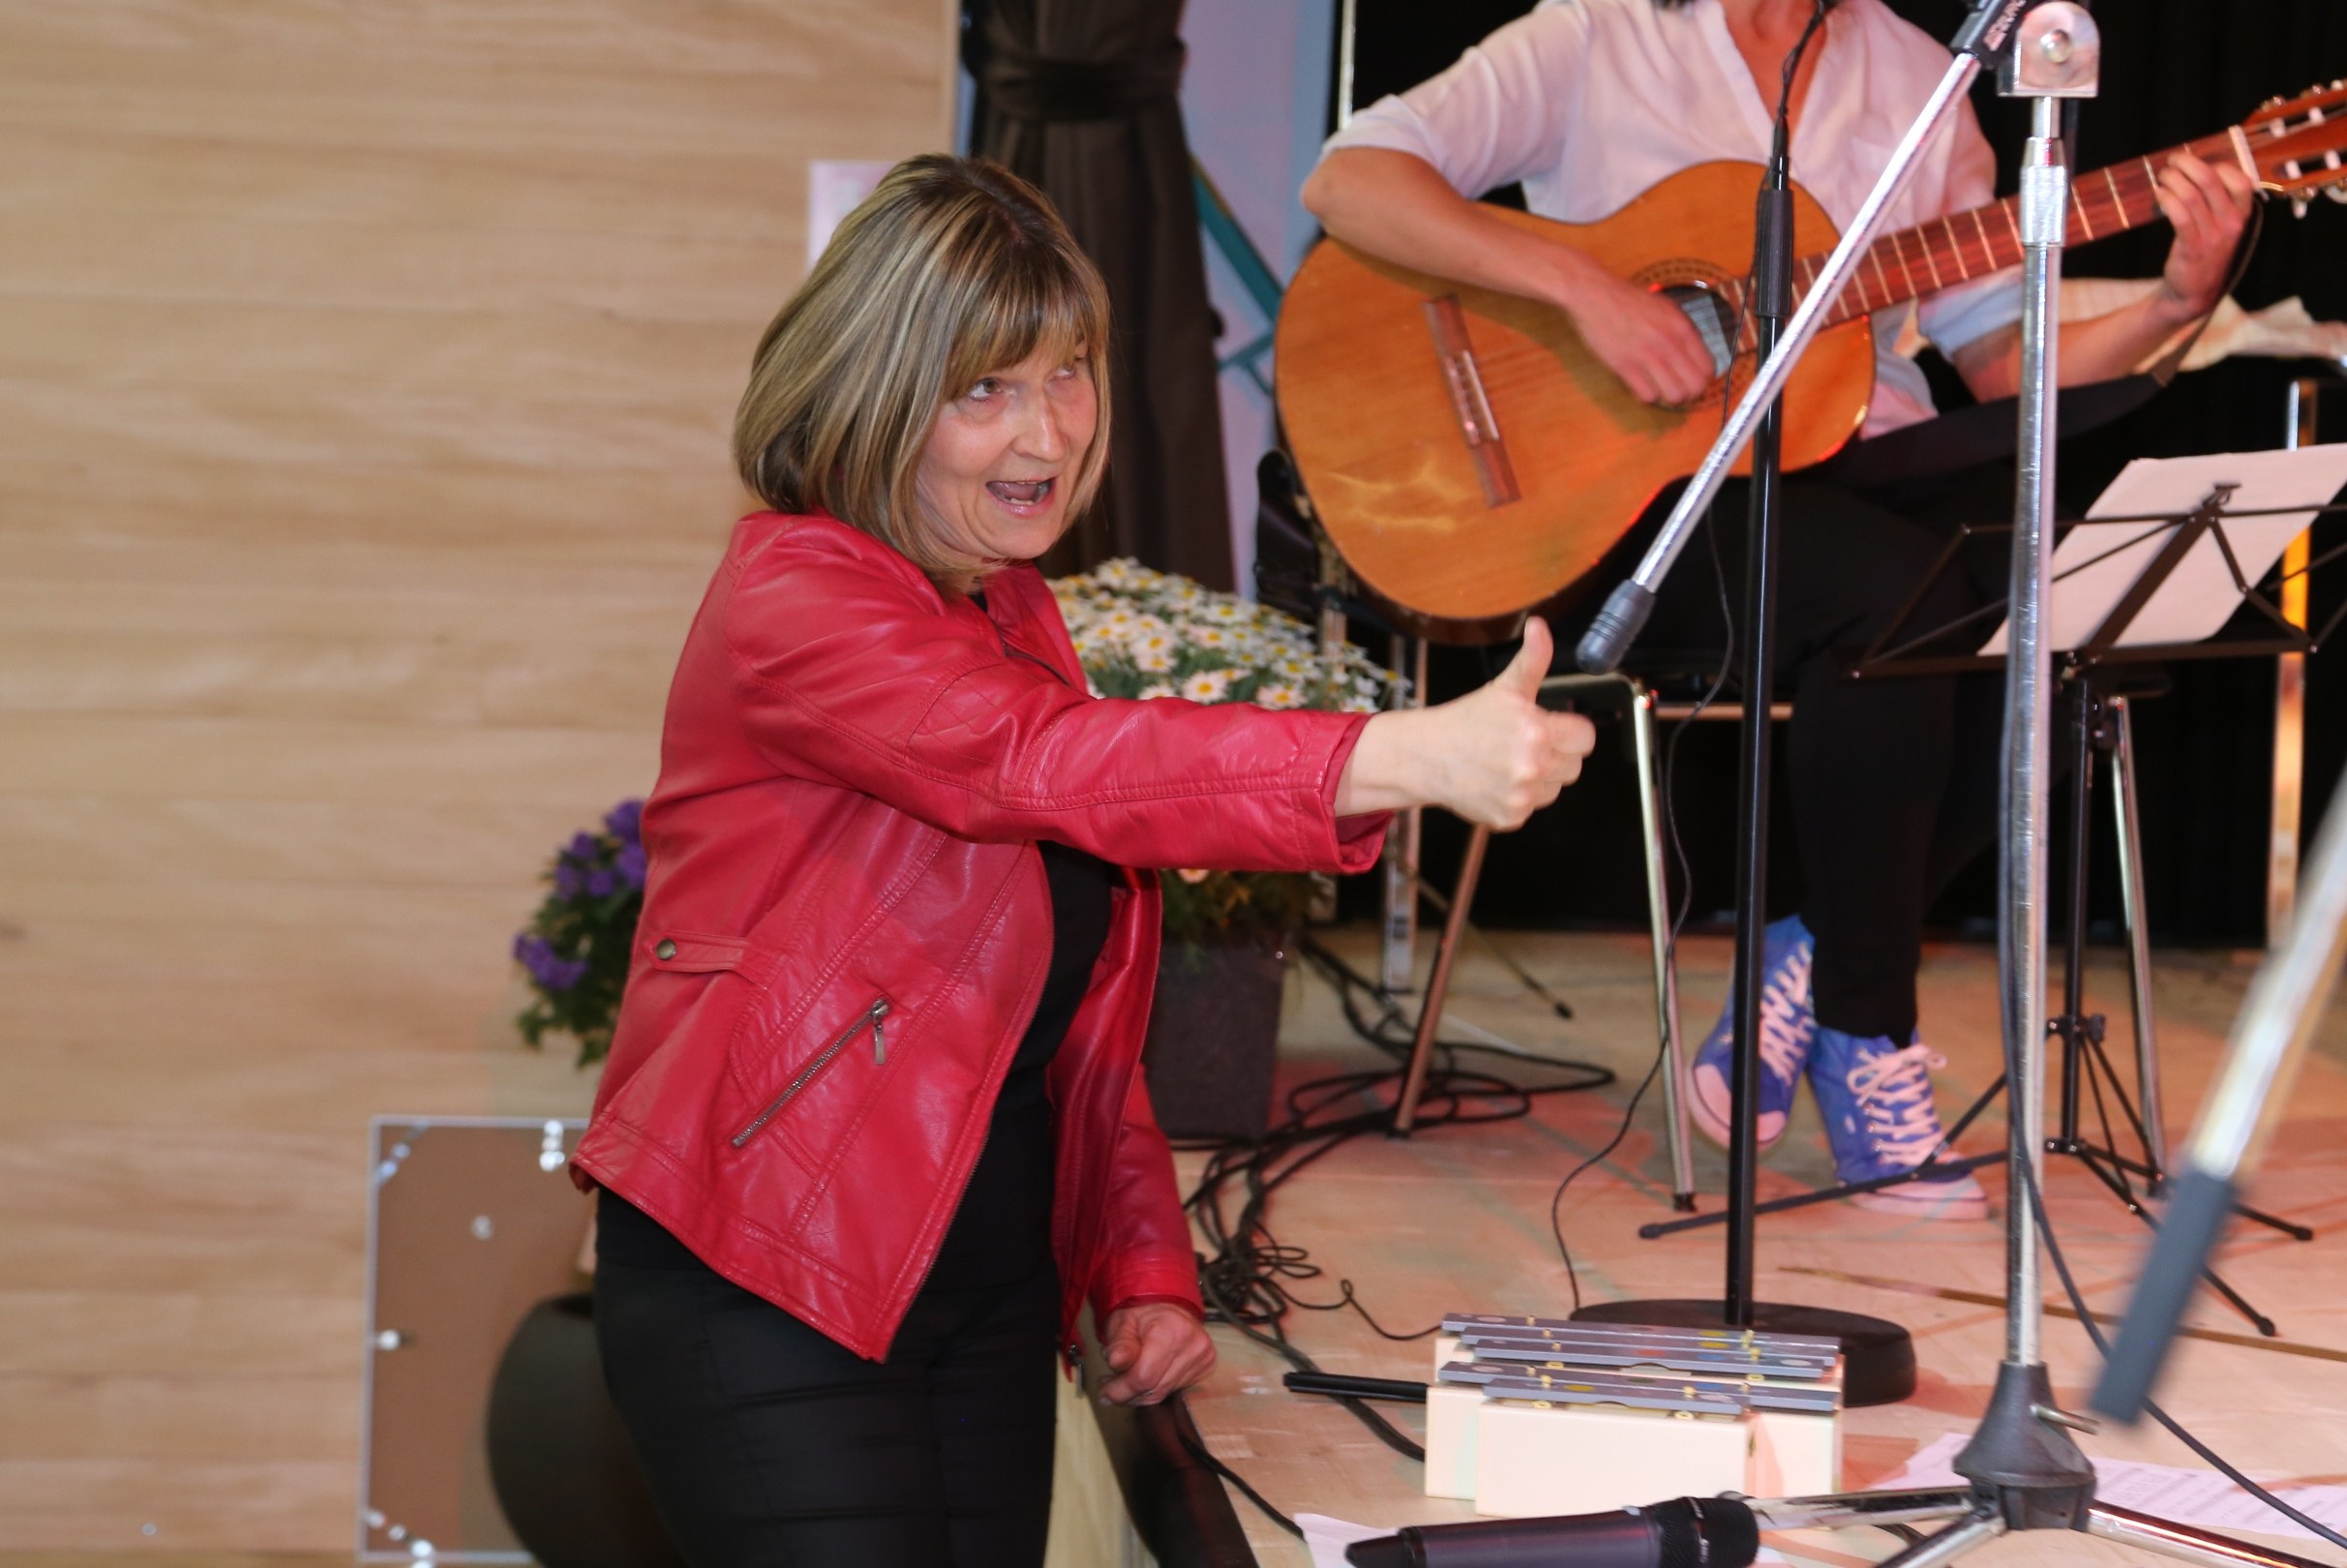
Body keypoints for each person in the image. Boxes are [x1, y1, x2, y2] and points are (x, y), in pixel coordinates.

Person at [567, 154, 1597, 1568]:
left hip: (982, 1287)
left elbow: (1069, 1021)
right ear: (873, 396)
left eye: (1066, 373)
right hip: (770, 1276)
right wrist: (1393, 754)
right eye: (983, 388)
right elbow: (1042, 762)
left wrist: (1141, 1266)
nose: (1045, 428)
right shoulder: (795, 590)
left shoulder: (1008, 609)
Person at [1303, 0, 2252, 1218]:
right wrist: (1585, 290)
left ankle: (1808, 954)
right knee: (1894, 594)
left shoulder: (1921, 74)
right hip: (1643, 508)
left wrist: (2175, 301)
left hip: (1869, 479)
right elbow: (1350, 179)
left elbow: (2001, 364)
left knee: (2075, 607)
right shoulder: (1594, 36)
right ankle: (1867, 1026)